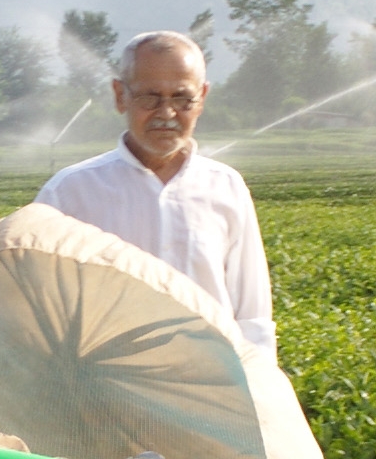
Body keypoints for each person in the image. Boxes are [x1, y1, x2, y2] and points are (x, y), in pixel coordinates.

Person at [34, 31, 276, 351]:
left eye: (181, 98)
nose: (166, 113)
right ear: (120, 95)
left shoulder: (226, 187)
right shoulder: (69, 194)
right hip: (106, 389)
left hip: (207, 385)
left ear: (201, 98)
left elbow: (252, 314)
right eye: (150, 97)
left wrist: (260, 390)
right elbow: (38, 310)